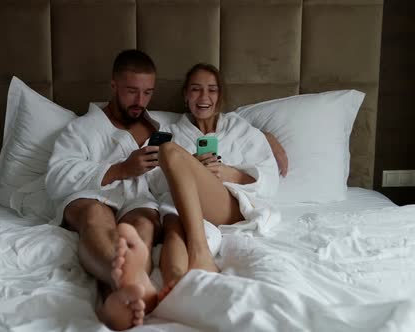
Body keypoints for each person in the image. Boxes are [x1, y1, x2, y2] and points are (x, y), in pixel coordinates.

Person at [110, 63, 280, 306]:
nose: (204, 97)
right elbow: (151, 181)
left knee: (169, 152)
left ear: (220, 95)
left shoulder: (240, 129)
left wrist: (227, 173)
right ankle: (175, 288)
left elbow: (269, 177)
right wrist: (189, 169)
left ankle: (200, 251)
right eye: (196, 89)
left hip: (227, 206)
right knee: (172, 229)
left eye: (212, 90)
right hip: (183, 208)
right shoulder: (169, 131)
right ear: (185, 95)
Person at [45, 49, 164, 330]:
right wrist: (120, 170)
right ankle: (124, 284)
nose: (140, 101)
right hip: (92, 195)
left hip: (137, 199)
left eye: (147, 93)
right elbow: (56, 176)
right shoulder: (82, 128)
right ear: (113, 86)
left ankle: (119, 298)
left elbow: (165, 179)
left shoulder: (159, 128)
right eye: (132, 91)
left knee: (144, 225)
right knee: (96, 217)